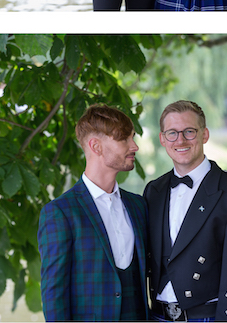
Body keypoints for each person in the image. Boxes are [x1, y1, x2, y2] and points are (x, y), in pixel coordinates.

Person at [144, 99, 227, 322]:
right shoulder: (154, 191)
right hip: (155, 316)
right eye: (172, 133)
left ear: (204, 135)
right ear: (162, 139)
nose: (180, 140)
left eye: (189, 131)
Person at [38, 104, 149, 322]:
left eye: (132, 138)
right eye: (124, 139)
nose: (134, 146)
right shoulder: (60, 213)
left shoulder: (138, 206)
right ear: (96, 146)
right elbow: (54, 296)